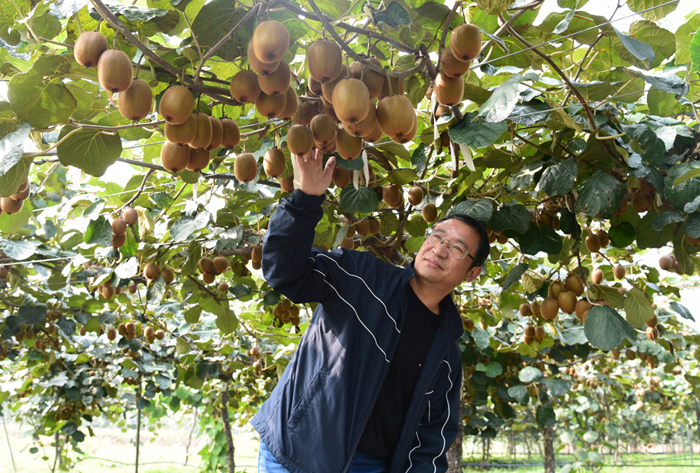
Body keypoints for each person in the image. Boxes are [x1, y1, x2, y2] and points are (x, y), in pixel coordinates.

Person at [252, 149, 489, 473]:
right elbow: (284, 272)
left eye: (458, 248)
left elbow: (430, 440)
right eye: (437, 236)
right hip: (297, 447)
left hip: (367, 467)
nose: (440, 249)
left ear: (471, 273)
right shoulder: (362, 276)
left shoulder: (446, 356)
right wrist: (305, 198)